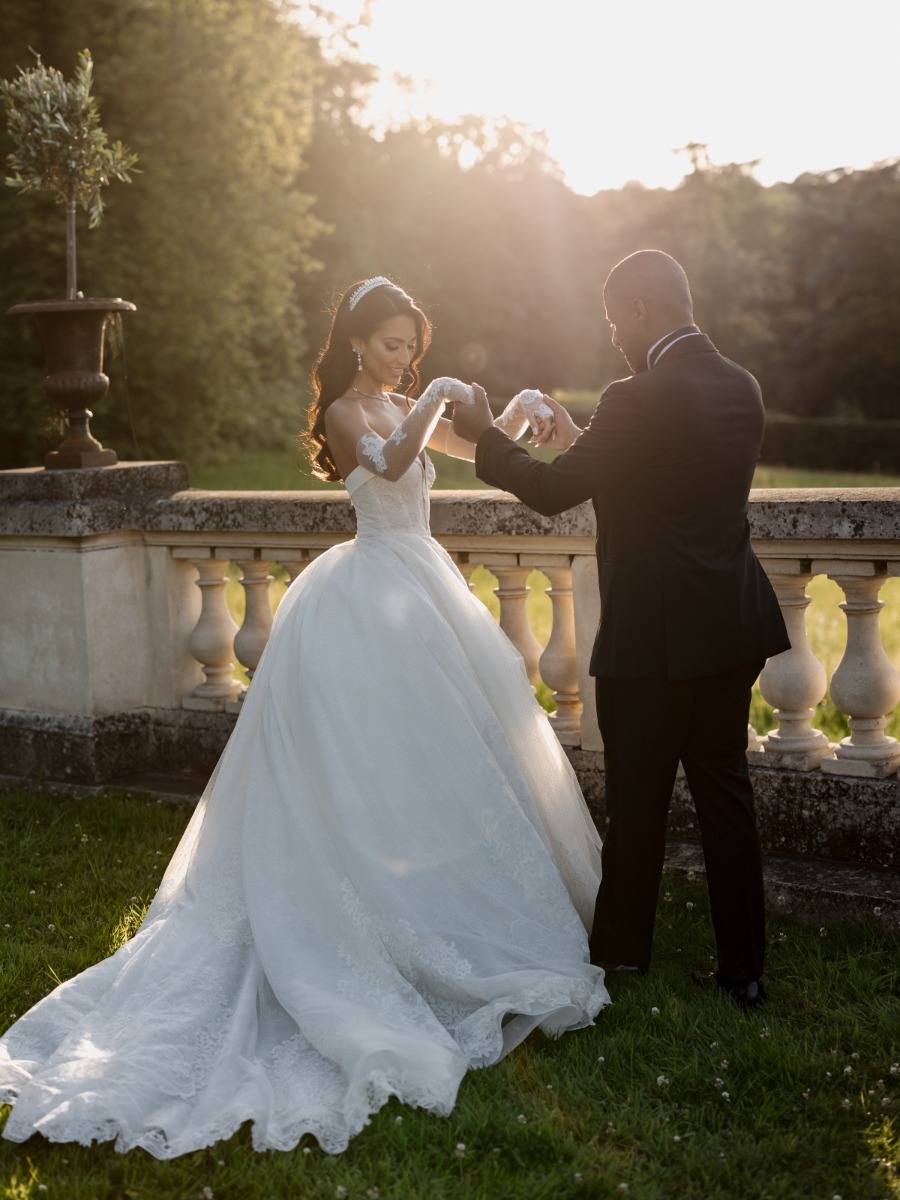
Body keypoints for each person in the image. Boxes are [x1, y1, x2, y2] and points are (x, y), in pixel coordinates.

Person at [0, 276, 608, 1159]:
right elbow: (392, 462)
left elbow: (477, 455)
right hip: (366, 592)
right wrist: (439, 395)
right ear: (359, 344)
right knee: (360, 764)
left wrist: (514, 411)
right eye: (393, 344)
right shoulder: (347, 415)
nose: (406, 359)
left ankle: (442, 910)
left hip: (423, 588)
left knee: (438, 762)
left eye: (414, 346)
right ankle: (354, 920)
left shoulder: (404, 399)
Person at [452, 250, 790, 1009]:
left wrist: (483, 433)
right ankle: (745, 970)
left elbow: (545, 489)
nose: (612, 336)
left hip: (652, 640)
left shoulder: (636, 396)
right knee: (725, 798)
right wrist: (588, 432)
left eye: (613, 320)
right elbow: (661, 479)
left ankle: (623, 960)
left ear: (640, 310)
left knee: (636, 805)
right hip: (731, 625)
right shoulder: (742, 387)